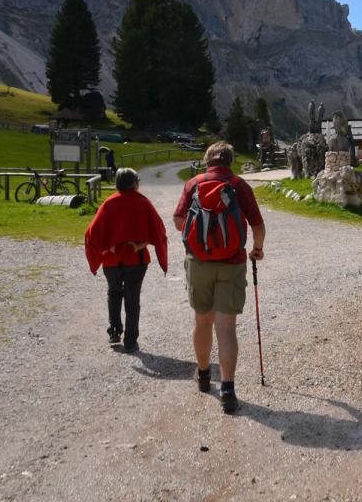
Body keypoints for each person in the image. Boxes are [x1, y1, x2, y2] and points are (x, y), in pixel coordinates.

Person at [173, 142, 265, 414]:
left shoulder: (193, 184)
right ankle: (227, 389)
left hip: (199, 263)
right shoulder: (239, 185)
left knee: (202, 321)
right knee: (226, 328)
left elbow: (179, 220)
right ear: (231, 161)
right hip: (232, 263)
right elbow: (258, 224)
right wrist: (257, 250)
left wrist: (199, 238)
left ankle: (203, 375)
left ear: (207, 161)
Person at [84, 168, 168, 353]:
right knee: (132, 299)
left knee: (114, 293)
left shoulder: (108, 203)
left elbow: (92, 233)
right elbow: (159, 231)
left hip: (111, 261)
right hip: (136, 260)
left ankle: (114, 331)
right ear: (134, 183)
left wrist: (109, 247)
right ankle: (131, 341)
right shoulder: (143, 203)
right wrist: (138, 246)